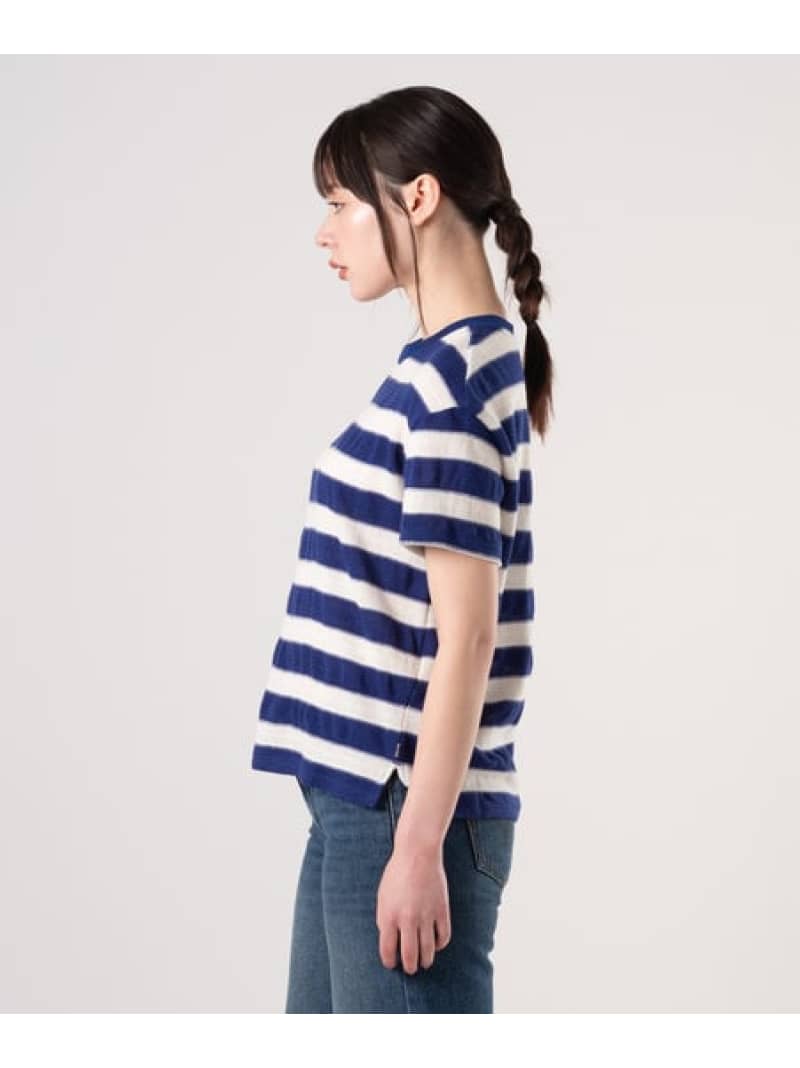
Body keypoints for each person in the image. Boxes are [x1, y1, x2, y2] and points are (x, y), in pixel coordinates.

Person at [250, 85, 554, 1013]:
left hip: (403, 806)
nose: (325, 232)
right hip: (359, 800)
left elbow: (469, 635)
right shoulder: (441, 366)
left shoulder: (451, 386)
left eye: (342, 202)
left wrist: (418, 846)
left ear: (417, 197)